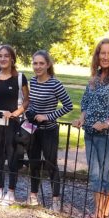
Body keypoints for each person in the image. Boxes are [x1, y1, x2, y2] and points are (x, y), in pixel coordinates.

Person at [73, 39, 109, 218]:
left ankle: (104, 214)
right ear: (97, 55)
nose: (105, 57)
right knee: (95, 174)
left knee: (106, 174)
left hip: (108, 136)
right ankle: (98, 212)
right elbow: (86, 104)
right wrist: (82, 118)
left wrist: (107, 123)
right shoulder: (94, 77)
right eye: (102, 53)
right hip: (90, 133)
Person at [26, 50, 73, 208]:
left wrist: (48, 116)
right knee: (34, 162)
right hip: (33, 129)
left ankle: (55, 199)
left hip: (49, 131)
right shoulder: (32, 81)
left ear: (47, 65)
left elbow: (68, 106)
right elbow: (30, 103)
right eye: (35, 63)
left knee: (51, 164)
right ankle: (33, 195)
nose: (38, 66)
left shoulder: (55, 84)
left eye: (41, 63)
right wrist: (30, 112)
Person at [0, 45, 29, 206]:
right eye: (0, 56)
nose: (2, 59)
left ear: (12, 59)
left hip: (13, 122)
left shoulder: (20, 77)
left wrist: (16, 113)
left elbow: (26, 100)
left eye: (6, 56)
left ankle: (11, 192)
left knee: (11, 157)